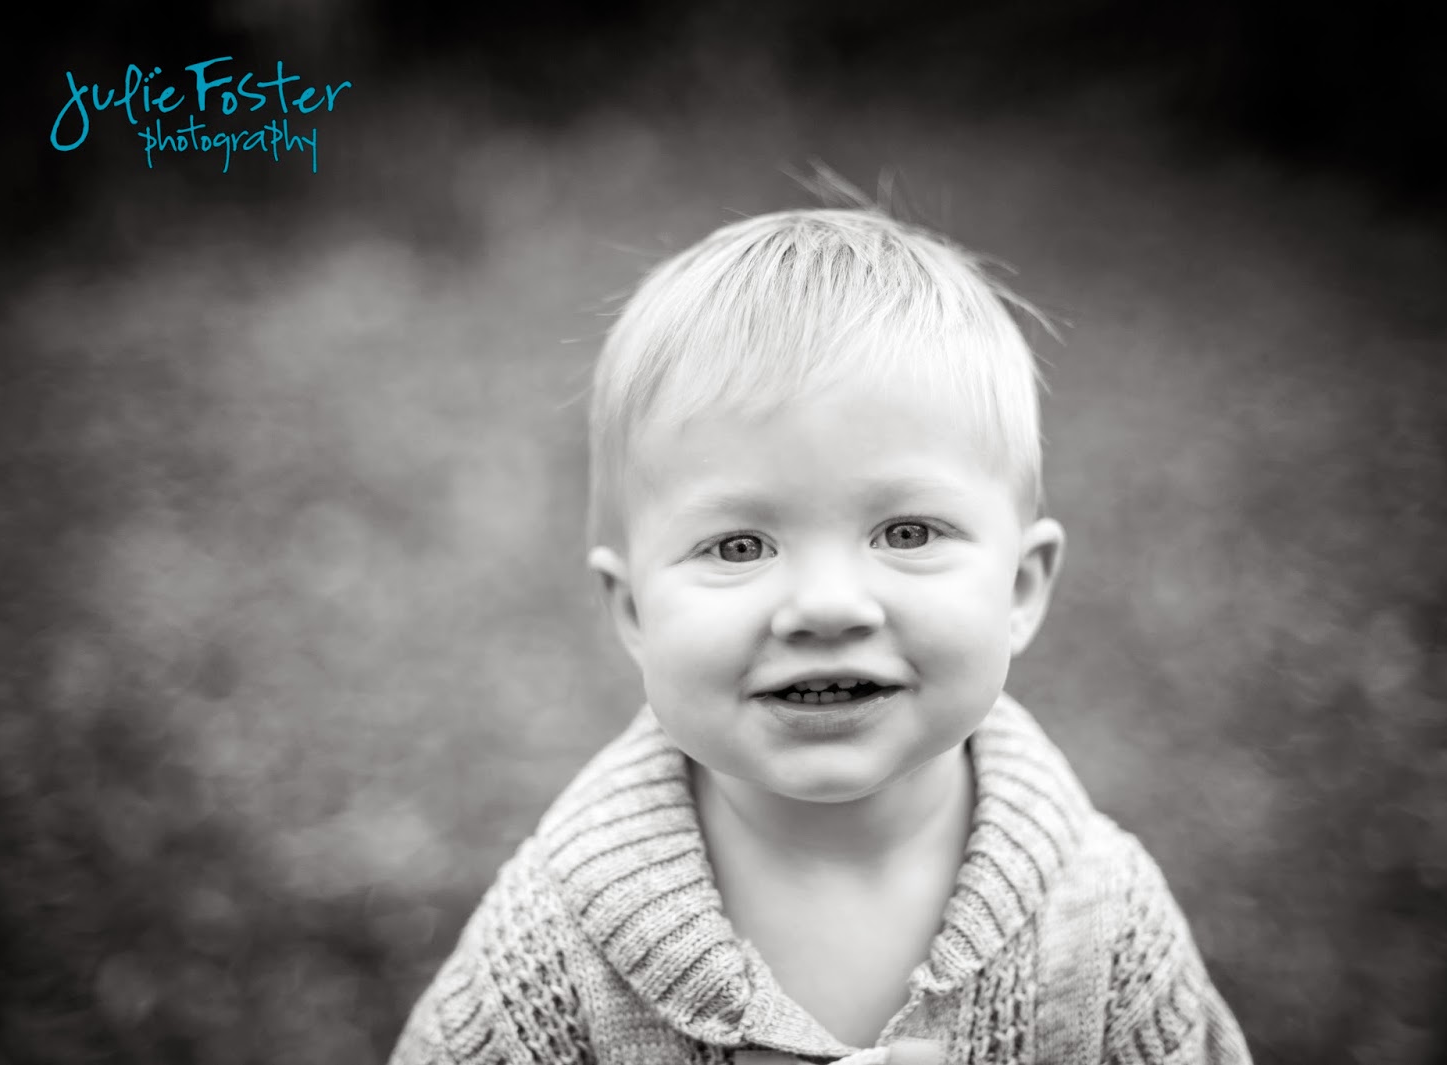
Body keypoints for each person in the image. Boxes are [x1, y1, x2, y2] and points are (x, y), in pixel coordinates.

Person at [389, 204, 1252, 1064]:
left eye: (906, 532)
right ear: (634, 612)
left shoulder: (1102, 925)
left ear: (1020, 587)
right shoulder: (547, 956)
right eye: (739, 546)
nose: (828, 604)